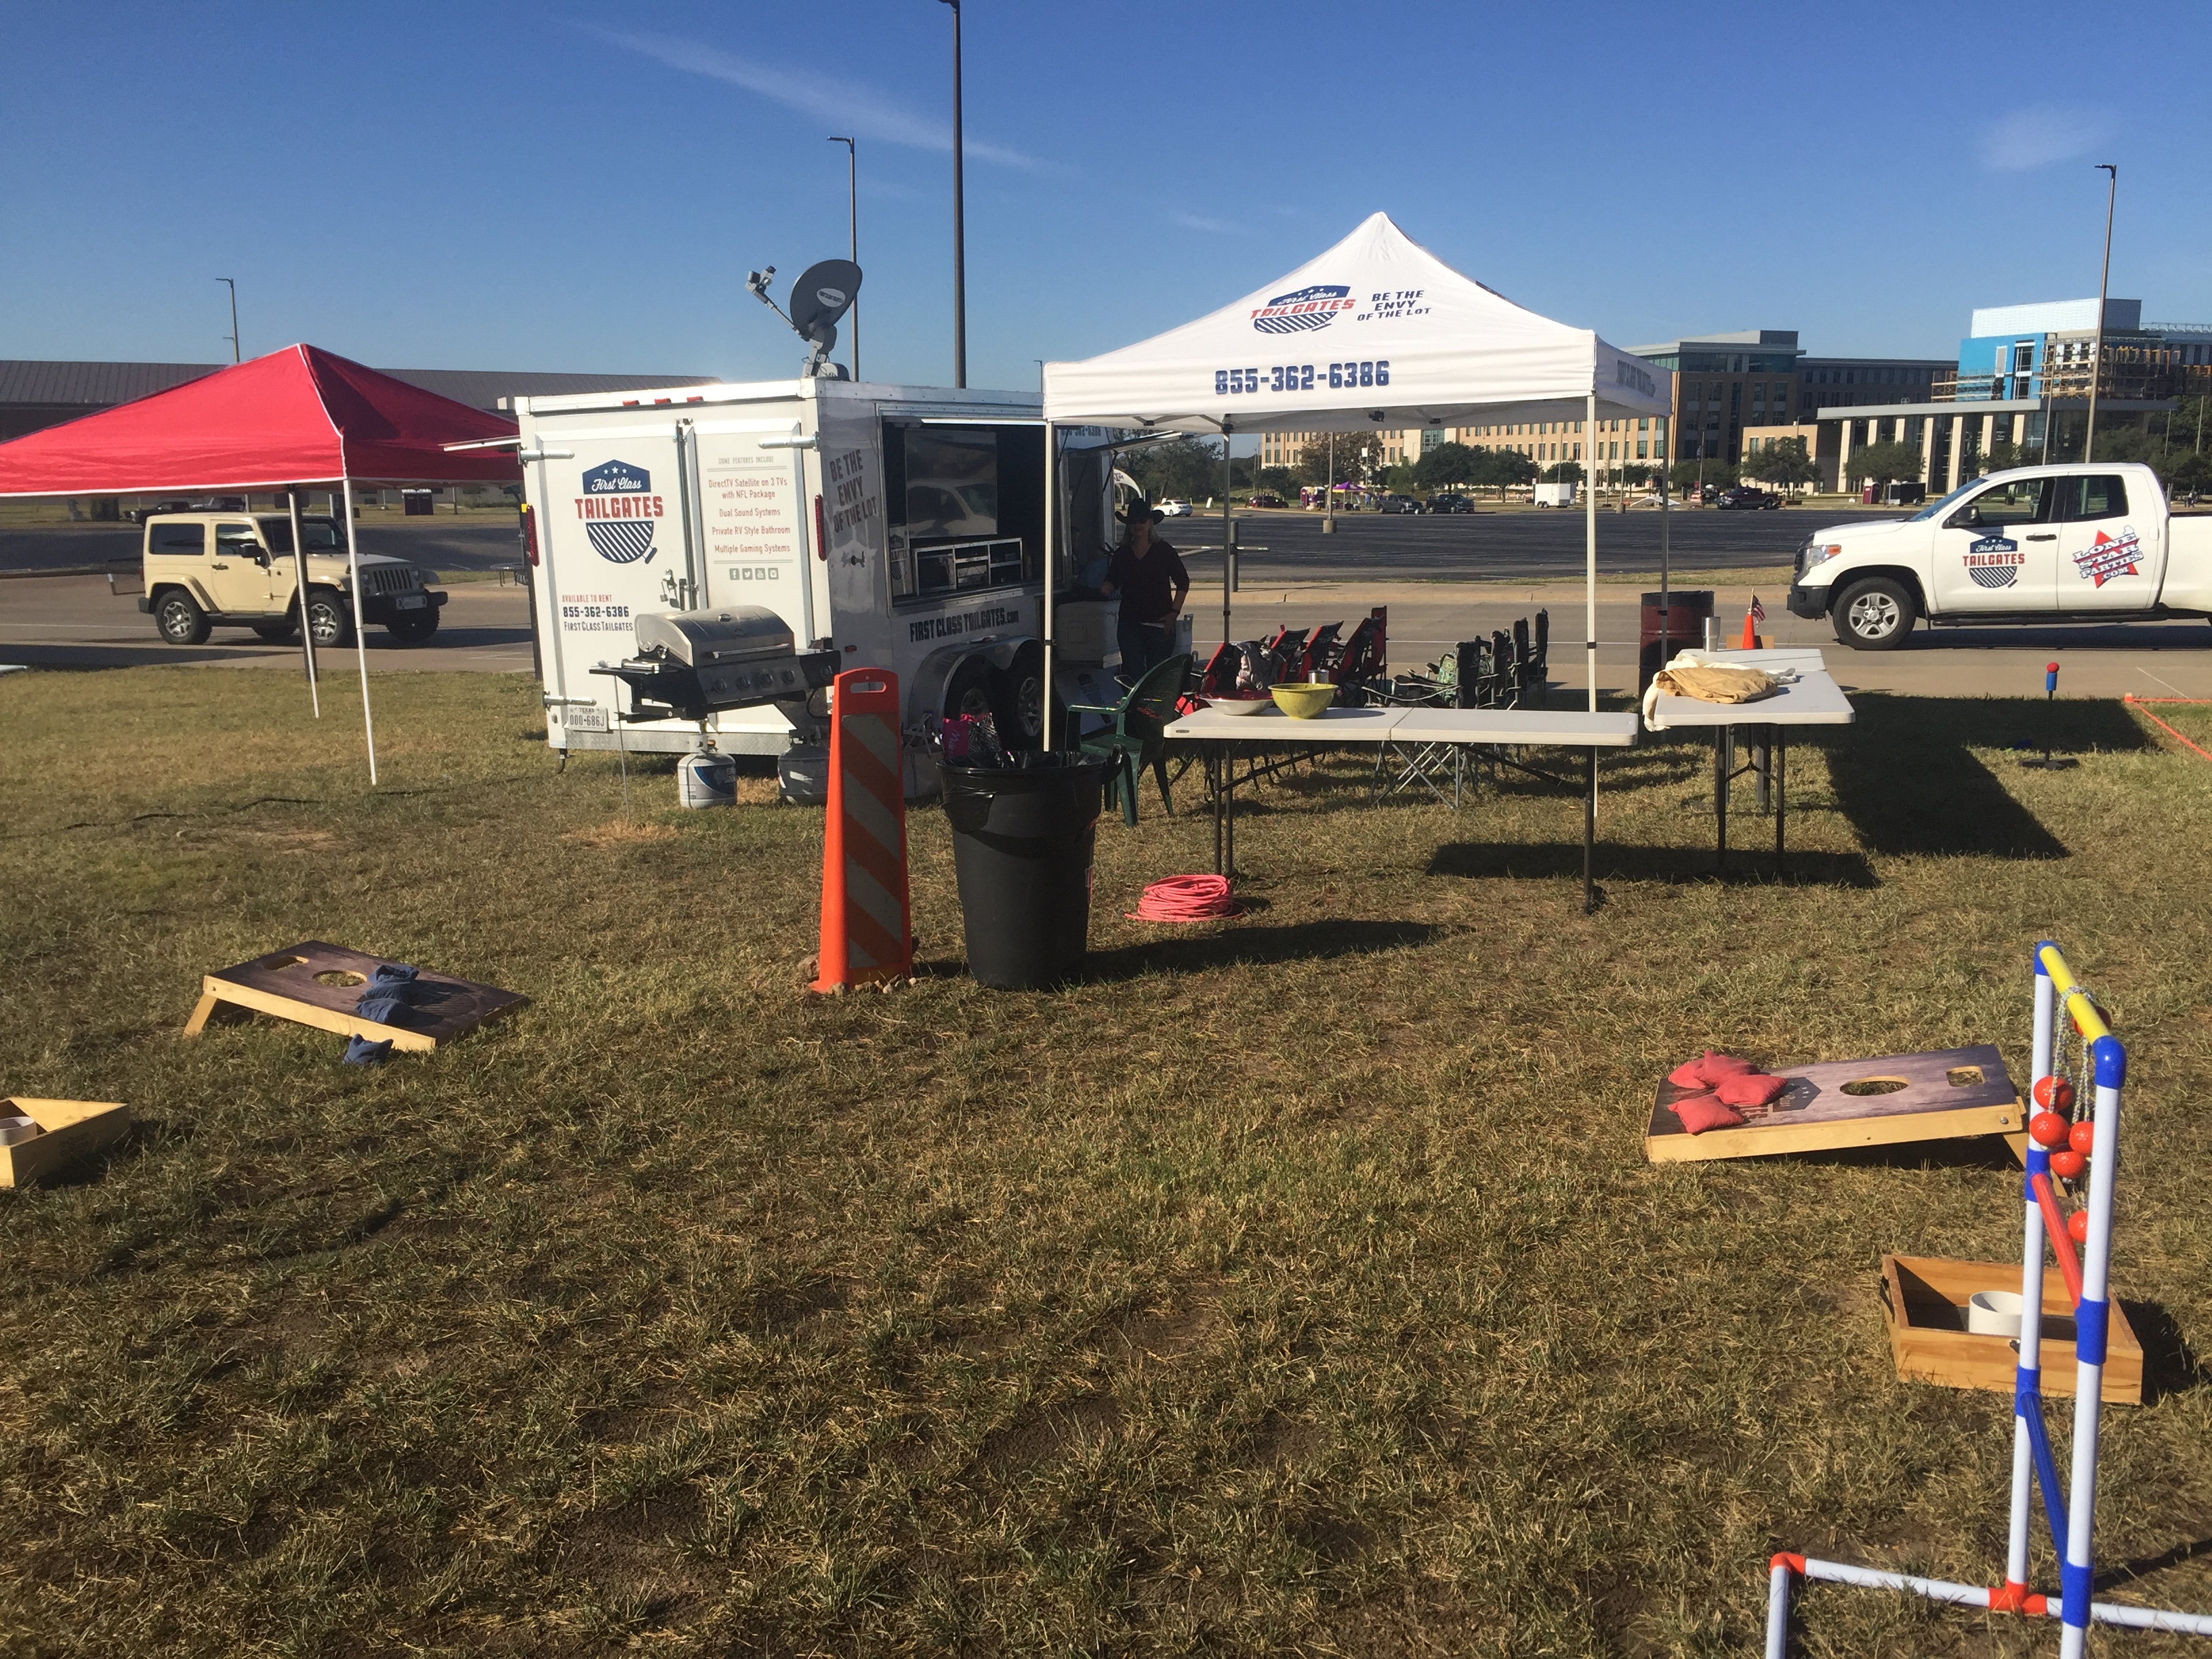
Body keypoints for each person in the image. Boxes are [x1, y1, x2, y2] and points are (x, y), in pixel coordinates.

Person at [1101, 506, 1189, 684]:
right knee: (1132, 677)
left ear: (1150, 524)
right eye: (1133, 522)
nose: (1137, 525)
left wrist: (1174, 613)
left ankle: (1156, 712)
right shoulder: (1122, 554)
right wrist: (1107, 587)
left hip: (1160, 626)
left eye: (1142, 521)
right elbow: (1113, 579)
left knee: (1157, 678)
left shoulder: (1164, 550)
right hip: (1130, 626)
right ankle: (1135, 712)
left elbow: (1183, 582)